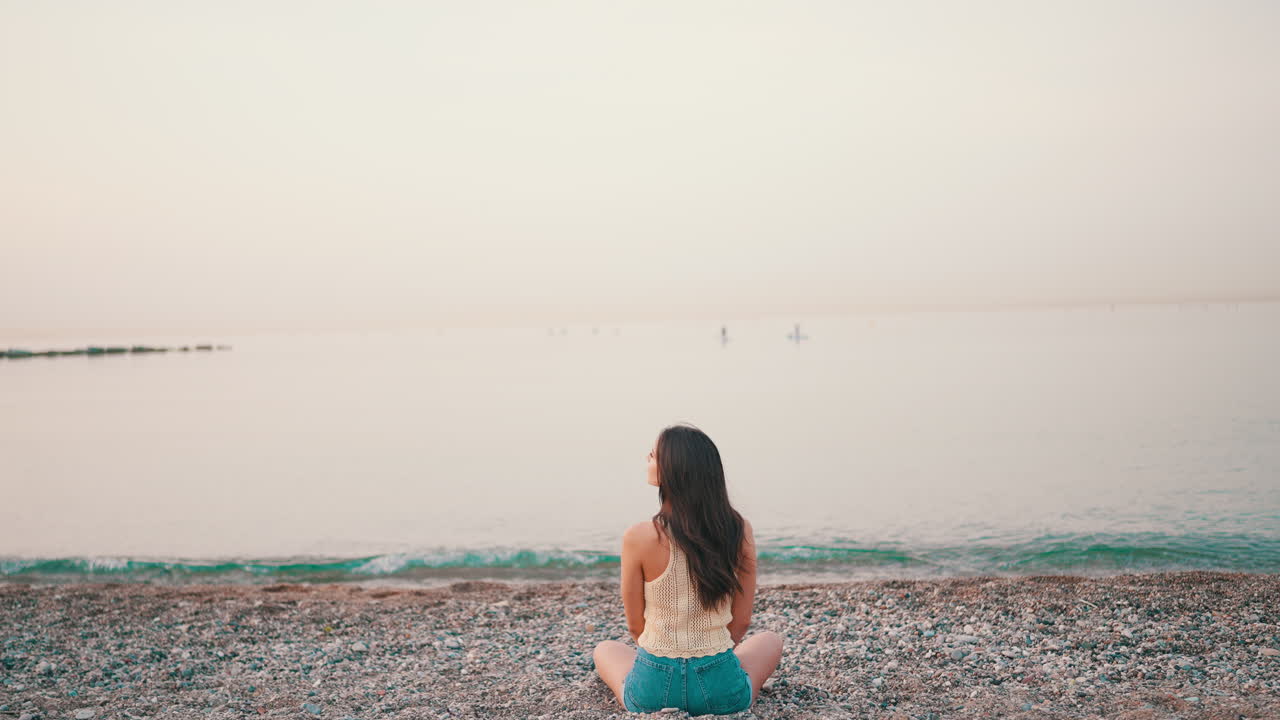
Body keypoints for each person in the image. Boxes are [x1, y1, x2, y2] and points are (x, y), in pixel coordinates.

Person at [593, 424, 784, 714]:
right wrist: (705, 660)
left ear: (675, 470)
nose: (648, 458)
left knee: (604, 649)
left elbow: (635, 627)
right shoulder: (738, 529)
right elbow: (741, 622)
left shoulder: (639, 536)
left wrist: (667, 658)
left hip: (654, 686)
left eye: (654, 454)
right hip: (719, 685)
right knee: (770, 640)